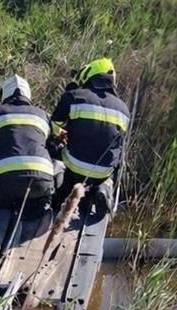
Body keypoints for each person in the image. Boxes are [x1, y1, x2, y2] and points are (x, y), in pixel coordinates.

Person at [50, 58, 130, 215]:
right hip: (103, 170)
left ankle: (61, 190)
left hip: (74, 164)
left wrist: (61, 135)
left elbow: (53, 126)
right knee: (107, 170)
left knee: (61, 161)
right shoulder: (124, 110)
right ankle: (103, 188)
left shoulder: (74, 96)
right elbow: (118, 143)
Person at [0, 75, 56, 214]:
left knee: (2, 209)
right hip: (40, 182)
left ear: (3, 95)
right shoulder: (42, 115)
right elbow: (51, 150)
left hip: (5, 183)